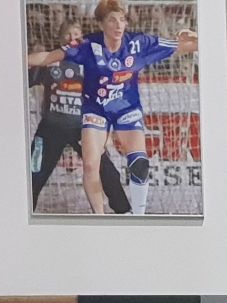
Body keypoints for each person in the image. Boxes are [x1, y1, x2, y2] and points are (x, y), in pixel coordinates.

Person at [24, 0, 197, 215]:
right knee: (88, 165)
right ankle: (99, 217)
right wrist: (19, 60)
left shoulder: (138, 43)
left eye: (122, 20)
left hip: (125, 109)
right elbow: (49, 57)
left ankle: (138, 216)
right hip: (89, 113)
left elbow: (184, 45)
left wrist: (199, 36)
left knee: (138, 163)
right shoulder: (87, 46)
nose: (118, 25)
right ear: (101, 24)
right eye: (112, 20)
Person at [25, 26, 128, 214]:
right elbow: (26, 79)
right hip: (51, 128)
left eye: (75, 34)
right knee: (33, 174)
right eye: (67, 34)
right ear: (60, 39)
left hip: (83, 129)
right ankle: (22, 216)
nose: (71, 37)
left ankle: (125, 212)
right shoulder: (51, 63)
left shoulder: (92, 64)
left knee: (107, 172)